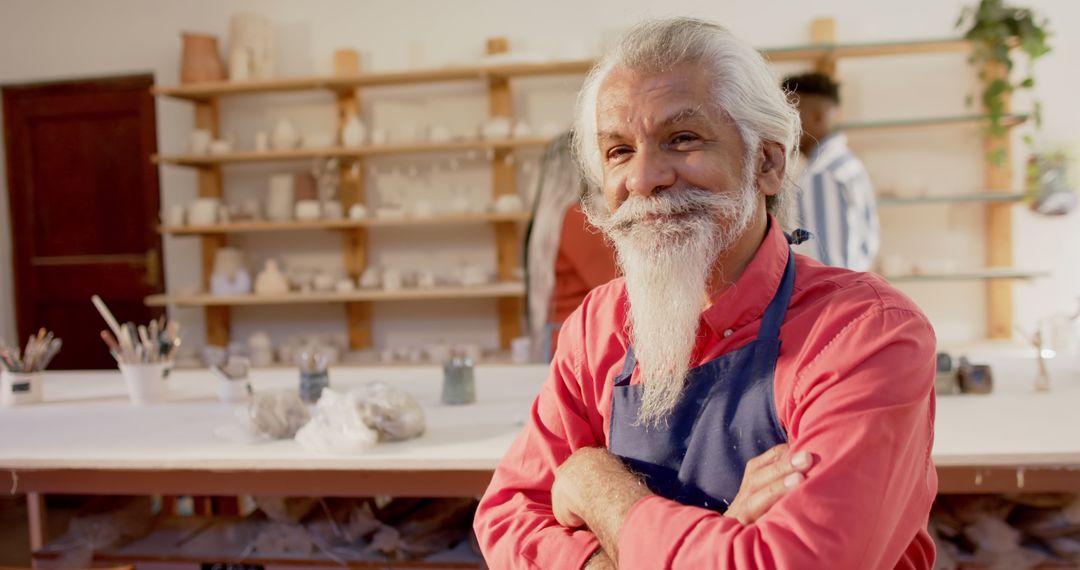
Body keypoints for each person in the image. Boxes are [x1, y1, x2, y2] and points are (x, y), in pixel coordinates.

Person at [474, 17, 937, 570]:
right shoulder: (599, 324)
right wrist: (717, 540)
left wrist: (603, 492)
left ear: (767, 163)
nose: (644, 178)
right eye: (619, 150)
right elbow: (506, 515)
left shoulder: (862, 332)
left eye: (683, 138)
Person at [526, 133, 620, 361]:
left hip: (563, 336)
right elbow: (615, 283)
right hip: (582, 344)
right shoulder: (576, 218)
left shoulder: (552, 218)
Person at [783, 72, 880, 271]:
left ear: (818, 116)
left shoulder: (822, 174)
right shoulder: (847, 162)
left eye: (790, 113)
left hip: (836, 300)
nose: (784, 124)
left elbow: (832, 270)